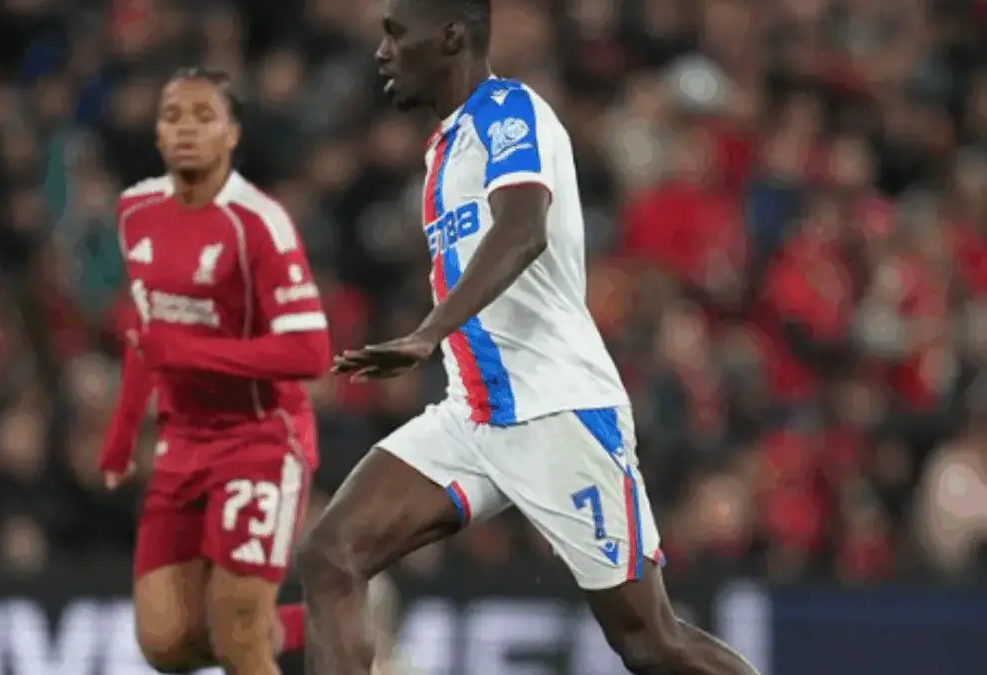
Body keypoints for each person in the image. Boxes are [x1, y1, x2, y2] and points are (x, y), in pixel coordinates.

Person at [299, 2, 762, 675]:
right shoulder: (443, 150)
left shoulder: (509, 113)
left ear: (452, 34)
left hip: (555, 409)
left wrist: (430, 331)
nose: (383, 52)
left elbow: (523, 227)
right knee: (331, 553)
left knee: (650, 641)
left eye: (398, 34)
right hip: (475, 413)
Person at [97, 67, 330, 675]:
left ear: (231, 135)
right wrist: (122, 435)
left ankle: (332, 634)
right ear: (156, 133)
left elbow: (310, 352)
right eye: (174, 117)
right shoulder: (135, 211)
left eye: (204, 117)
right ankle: (331, 619)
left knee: (240, 639)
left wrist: (193, 356)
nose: (186, 131)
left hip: (259, 439)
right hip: (181, 446)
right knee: (166, 642)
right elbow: (147, 338)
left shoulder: (257, 222)